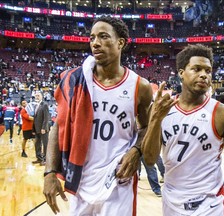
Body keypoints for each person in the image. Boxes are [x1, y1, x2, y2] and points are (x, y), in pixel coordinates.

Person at [43, 15, 153, 216]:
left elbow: (146, 127)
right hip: (81, 178)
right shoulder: (75, 80)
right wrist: (50, 172)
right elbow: (57, 127)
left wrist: (137, 150)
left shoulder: (140, 86)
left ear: (120, 42)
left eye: (103, 37)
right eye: (92, 38)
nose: (95, 43)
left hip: (118, 179)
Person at [142, 44, 224, 216]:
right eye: (196, 69)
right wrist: (156, 120)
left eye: (208, 71)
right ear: (181, 73)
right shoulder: (161, 109)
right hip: (172, 202)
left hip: (209, 205)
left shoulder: (221, 113)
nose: (204, 75)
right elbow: (150, 160)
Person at [32, 92, 50, 165]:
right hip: (36, 129)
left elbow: (46, 118)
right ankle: (39, 158)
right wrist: (33, 129)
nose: (37, 97)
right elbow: (35, 118)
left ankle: (46, 160)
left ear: (42, 96)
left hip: (43, 129)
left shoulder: (44, 105)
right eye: (36, 95)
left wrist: (43, 128)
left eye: (38, 95)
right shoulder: (35, 105)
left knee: (45, 144)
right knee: (37, 144)